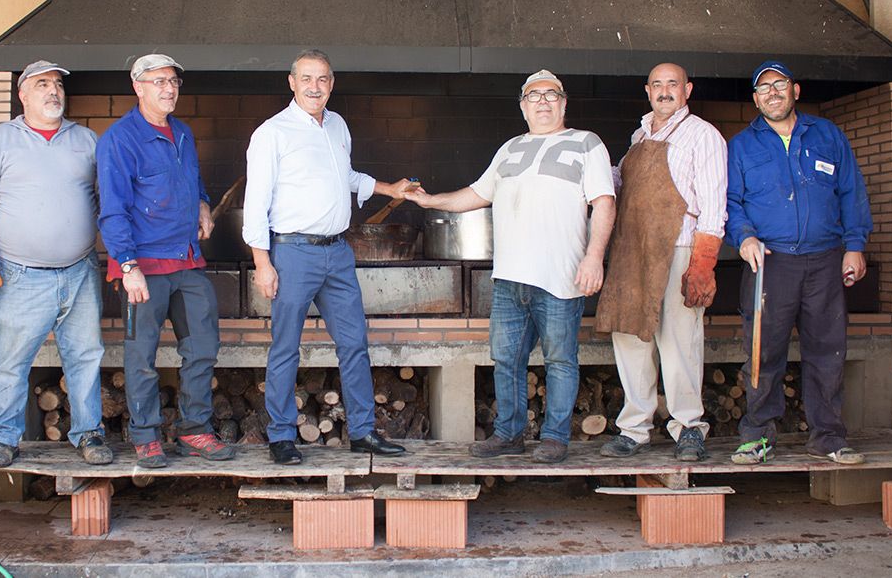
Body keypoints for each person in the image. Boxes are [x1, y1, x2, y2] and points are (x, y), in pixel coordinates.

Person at [405, 70, 615, 463]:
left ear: (564, 103)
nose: (542, 101)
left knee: (560, 360)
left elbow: (604, 202)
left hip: (561, 276)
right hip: (509, 278)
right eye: (533, 95)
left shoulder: (587, 144)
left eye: (551, 95)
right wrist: (433, 201)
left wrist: (594, 257)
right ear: (522, 106)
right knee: (506, 359)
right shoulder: (510, 149)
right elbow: (477, 194)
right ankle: (509, 434)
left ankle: (554, 438)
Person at [243, 49, 415, 465]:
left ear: (331, 83)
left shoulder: (337, 124)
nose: (314, 86)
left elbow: (347, 175)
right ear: (292, 82)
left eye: (322, 79)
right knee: (285, 347)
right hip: (293, 253)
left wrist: (390, 188)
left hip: (338, 252)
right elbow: (255, 204)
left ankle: (362, 432)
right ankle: (282, 436)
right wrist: (262, 263)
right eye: (306, 79)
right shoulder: (272, 133)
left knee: (354, 344)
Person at [0, 60, 112, 468]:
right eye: (42, 84)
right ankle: (3, 439)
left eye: (58, 84)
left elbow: (105, 200)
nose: (53, 92)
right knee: (10, 360)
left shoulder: (85, 140)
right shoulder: (0, 142)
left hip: (80, 271)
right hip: (19, 274)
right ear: (23, 94)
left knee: (85, 355)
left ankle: (89, 433)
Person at [725, 60, 872, 466]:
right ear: (755, 99)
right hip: (769, 263)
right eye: (764, 88)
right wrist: (745, 236)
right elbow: (731, 204)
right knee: (762, 351)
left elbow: (851, 192)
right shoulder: (741, 146)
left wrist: (855, 245)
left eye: (779, 85)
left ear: (795, 91)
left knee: (827, 350)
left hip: (825, 261)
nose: (772, 93)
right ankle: (757, 436)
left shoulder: (827, 136)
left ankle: (828, 436)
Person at [96, 53, 234, 468]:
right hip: (145, 268)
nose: (168, 88)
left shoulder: (183, 134)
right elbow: (112, 209)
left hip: (187, 264)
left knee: (203, 346)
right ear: (137, 87)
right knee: (142, 354)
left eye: (173, 81)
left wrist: (204, 206)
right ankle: (145, 436)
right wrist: (127, 265)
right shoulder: (119, 139)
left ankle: (194, 430)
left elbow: (194, 183)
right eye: (158, 81)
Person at [595, 62, 727, 462]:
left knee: (679, 342)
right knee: (631, 337)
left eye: (673, 84)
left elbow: (714, 205)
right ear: (647, 90)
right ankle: (634, 429)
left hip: (679, 249)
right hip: (632, 250)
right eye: (657, 85)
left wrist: (702, 263)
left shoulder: (703, 136)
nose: (665, 91)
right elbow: (619, 188)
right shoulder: (639, 136)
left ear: (688, 89)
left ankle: (688, 427)